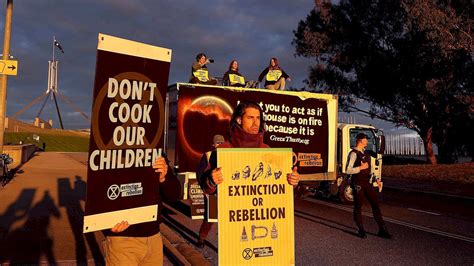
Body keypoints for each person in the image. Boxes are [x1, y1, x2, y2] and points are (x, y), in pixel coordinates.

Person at [198, 100, 300, 195]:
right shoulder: (223, 150)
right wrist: (211, 181)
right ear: (239, 120)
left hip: (263, 212)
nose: (255, 122)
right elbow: (205, 187)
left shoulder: (266, 150)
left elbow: (280, 184)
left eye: (258, 118)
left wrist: (292, 180)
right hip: (232, 212)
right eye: (250, 118)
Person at [103, 156, 181, 265]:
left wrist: (164, 178)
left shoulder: (156, 152)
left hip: (153, 238)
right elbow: (98, 193)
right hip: (123, 238)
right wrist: (105, 222)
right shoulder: (111, 151)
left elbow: (174, 195)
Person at [346, 133, 392, 239]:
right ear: (360, 140)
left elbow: (370, 170)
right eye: (366, 139)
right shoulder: (353, 153)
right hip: (357, 182)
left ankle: (382, 230)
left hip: (368, 182)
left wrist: (377, 180)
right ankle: (361, 230)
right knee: (358, 206)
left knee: (375, 204)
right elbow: (347, 169)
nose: (367, 141)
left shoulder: (366, 154)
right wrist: (360, 168)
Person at [196, 134, 225, 248]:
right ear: (213, 144)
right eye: (217, 143)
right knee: (210, 217)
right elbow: (200, 174)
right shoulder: (208, 155)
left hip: (225, 192)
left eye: (222, 143)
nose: (219, 145)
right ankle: (201, 238)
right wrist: (204, 187)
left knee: (227, 218)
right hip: (211, 191)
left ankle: (225, 244)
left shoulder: (229, 155)